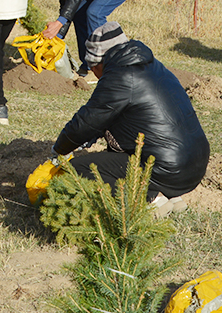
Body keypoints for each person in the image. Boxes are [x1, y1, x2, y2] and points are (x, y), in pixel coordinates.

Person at [50, 23, 210, 204]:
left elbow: (88, 121)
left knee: (78, 170)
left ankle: (151, 198)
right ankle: (172, 196)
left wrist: (59, 149)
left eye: (93, 66)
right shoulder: (153, 66)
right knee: (111, 161)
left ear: (101, 61)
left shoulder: (121, 76)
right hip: (195, 164)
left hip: (168, 170)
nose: (94, 73)